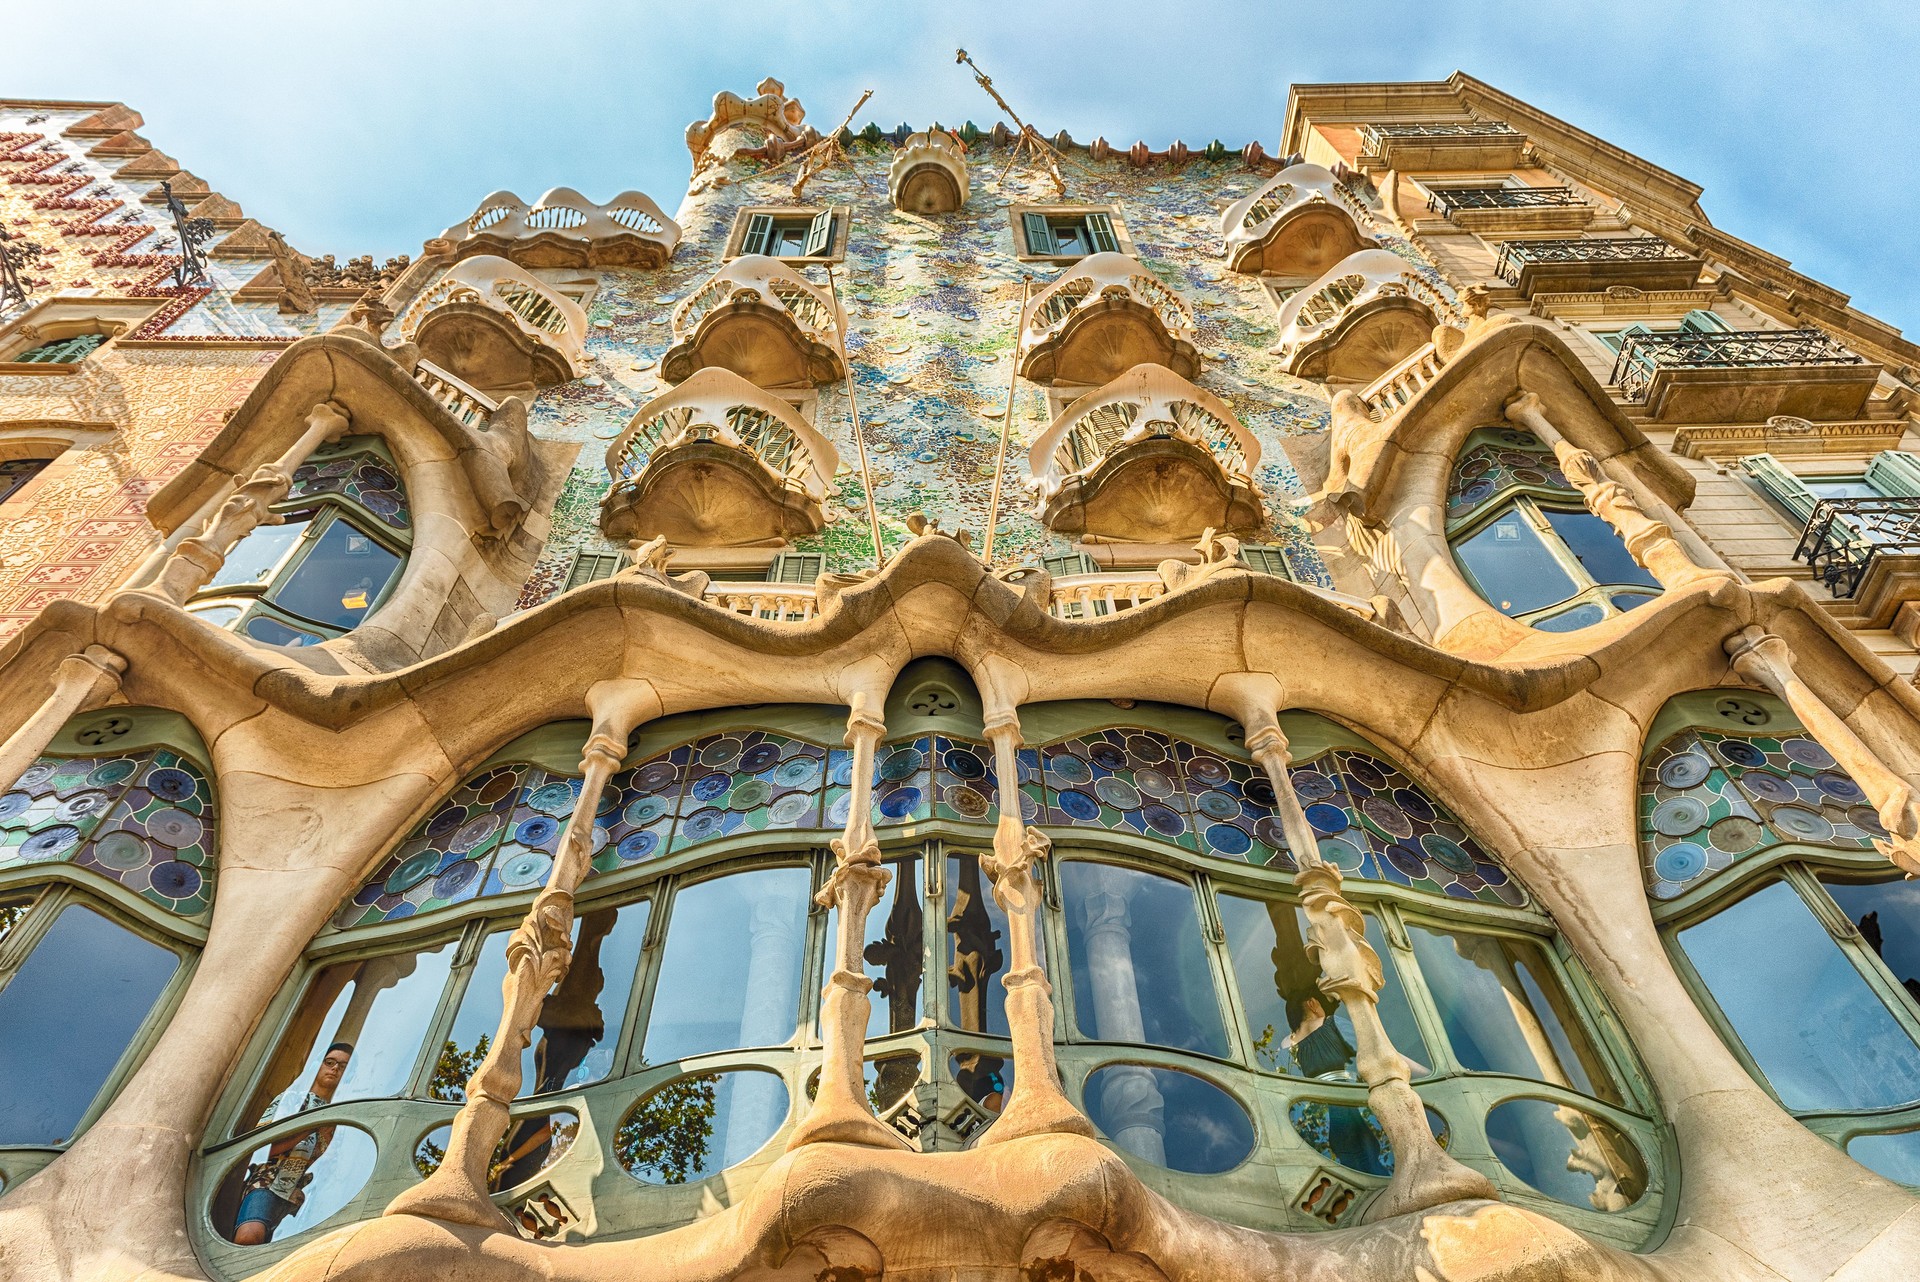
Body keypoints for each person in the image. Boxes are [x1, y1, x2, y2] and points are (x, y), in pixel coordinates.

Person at [232, 1043, 352, 1245]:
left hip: (301, 1199)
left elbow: (330, 1168)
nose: (335, 1069)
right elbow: (262, 1148)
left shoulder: (339, 1119)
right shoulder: (292, 1099)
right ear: (317, 1065)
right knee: (249, 1236)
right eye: (329, 1062)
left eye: (343, 1066)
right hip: (268, 1182)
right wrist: (310, 1126)